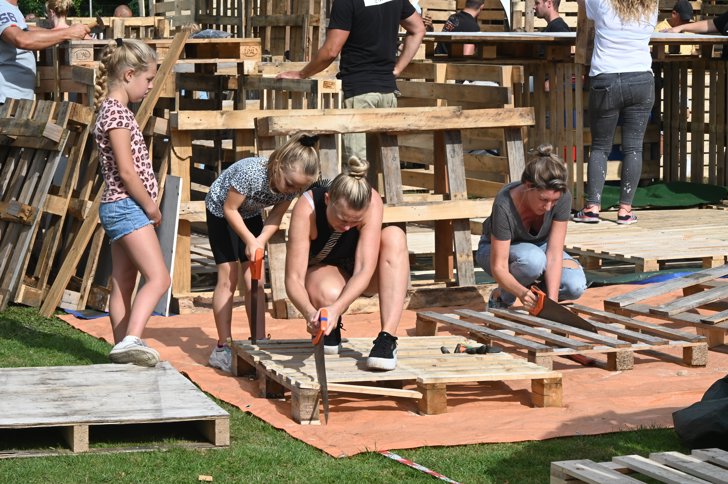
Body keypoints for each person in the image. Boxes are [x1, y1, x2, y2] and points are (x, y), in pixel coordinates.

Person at [205, 135, 320, 373]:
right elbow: (230, 209)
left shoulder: (290, 186)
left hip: (250, 213)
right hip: (221, 210)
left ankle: (258, 339)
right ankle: (222, 347)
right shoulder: (251, 173)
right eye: (290, 185)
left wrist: (259, 242)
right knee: (229, 274)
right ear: (278, 166)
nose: (292, 191)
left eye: (298, 189)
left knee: (255, 277)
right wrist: (249, 240)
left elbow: (276, 217)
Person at [285, 156, 409, 371]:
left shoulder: (372, 200)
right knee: (328, 291)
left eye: (356, 222)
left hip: (358, 273)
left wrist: (337, 308)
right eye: (342, 219)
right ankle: (327, 326)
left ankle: (387, 339)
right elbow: (293, 278)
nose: (347, 228)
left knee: (394, 236)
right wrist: (309, 314)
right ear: (327, 199)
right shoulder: (306, 208)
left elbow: (364, 269)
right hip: (322, 275)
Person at [92, 38, 169, 367]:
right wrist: (151, 206)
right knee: (159, 278)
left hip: (119, 206)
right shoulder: (118, 116)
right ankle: (132, 339)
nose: (150, 86)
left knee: (123, 281)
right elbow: (126, 169)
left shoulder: (111, 110)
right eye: (148, 79)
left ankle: (123, 347)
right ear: (127, 75)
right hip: (128, 206)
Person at [275, 0, 425, 161]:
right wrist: (397, 69)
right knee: (385, 165)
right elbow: (418, 29)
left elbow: (331, 51)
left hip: (359, 93)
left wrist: (302, 74)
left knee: (356, 170)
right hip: (388, 92)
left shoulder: (346, 2)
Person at [572, 0, 657, 225]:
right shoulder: (651, 5)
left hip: (606, 76)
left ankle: (592, 208)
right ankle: (625, 210)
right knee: (633, 147)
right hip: (640, 78)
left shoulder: (601, 3)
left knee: (600, 147)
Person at [475, 145, 586, 311]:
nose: (549, 207)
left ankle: (536, 298)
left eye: (554, 202)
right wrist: (521, 293)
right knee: (532, 261)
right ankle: (501, 297)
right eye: (543, 200)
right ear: (527, 186)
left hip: (538, 250)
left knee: (574, 286)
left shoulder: (562, 196)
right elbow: (499, 266)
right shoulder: (504, 203)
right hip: (493, 251)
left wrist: (552, 304)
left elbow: (554, 254)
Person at [0, 0, 89, 104]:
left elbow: (25, 29)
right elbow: (21, 39)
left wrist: (61, 33)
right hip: (5, 100)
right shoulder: (2, 7)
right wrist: (67, 33)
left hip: (13, 98)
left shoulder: (10, 8)